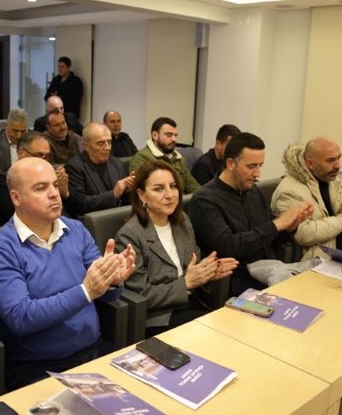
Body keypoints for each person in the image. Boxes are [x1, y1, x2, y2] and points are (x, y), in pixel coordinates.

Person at [0, 157, 135, 390]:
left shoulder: (76, 229)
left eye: (54, 184)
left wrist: (112, 281)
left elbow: (106, 295)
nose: (54, 194)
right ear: (16, 198)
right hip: (39, 367)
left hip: (95, 350)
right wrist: (86, 291)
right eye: (41, 188)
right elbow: (21, 317)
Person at [115, 160, 238, 335]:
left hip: (194, 302)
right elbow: (141, 295)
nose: (170, 195)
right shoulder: (130, 235)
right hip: (159, 316)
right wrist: (186, 283)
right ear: (142, 195)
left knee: (234, 324)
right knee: (217, 332)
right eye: (159, 189)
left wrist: (208, 273)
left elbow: (193, 264)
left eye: (173, 186)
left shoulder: (182, 221)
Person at [188, 133, 314, 296]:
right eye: (251, 166)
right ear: (231, 164)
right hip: (235, 282)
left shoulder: (253, 191)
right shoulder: (204, 200)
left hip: (270, 271)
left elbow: (270, 237)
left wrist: (290, 227)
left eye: (260, 165)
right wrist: (277, 224)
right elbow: (228, 247)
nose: (258, 174)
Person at [271, 137, 342, 261]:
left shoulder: (331, 180)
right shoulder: (289, 191)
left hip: (340, 252)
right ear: (310, 164)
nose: (338, 165)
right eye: (330, 160)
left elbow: (337, 217)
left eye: (338, 158)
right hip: (315, 262)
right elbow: (303, 234)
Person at [0, 131, 85, 224]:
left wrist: (65, 193)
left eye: (47, 156)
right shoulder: (3, 180)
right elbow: (14, 216)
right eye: (39, 155)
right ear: (22, 154)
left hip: (65, 225)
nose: (44, 161)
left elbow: (80, 209)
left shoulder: (52, 174)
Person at [65, 122, 134, 213]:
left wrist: (129, 190)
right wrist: (113, 194)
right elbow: (80, 204)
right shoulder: (74, 167)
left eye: (109, 142)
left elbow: (124, 200)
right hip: (93, 219)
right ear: (86, 146)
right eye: (101, 143)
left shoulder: (116, 163)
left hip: (118, 215)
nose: (107, 147)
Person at [129, 117, 199, 194]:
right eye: (169, 135)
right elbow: (142, 191)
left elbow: (191, 184)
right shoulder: (141, 158)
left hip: (181, 199)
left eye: (175, 135)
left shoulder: (177, 157)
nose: (174, 139)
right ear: (155, 135)